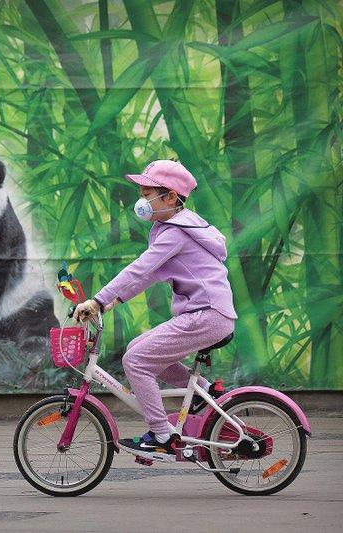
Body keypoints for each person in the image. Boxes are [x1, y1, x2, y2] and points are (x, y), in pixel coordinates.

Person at [75, 160, 237, 463]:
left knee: (135, 361)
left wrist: (97, 300)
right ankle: (205, 393)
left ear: (171, 197)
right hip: (207, 314)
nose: (141, 201)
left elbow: (141, 267)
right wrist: (115, 301)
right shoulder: (175, 226)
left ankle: (162, 436)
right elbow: (151, 273)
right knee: (139, 349)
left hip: (207, 315)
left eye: (147, 193)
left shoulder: (177, 231)